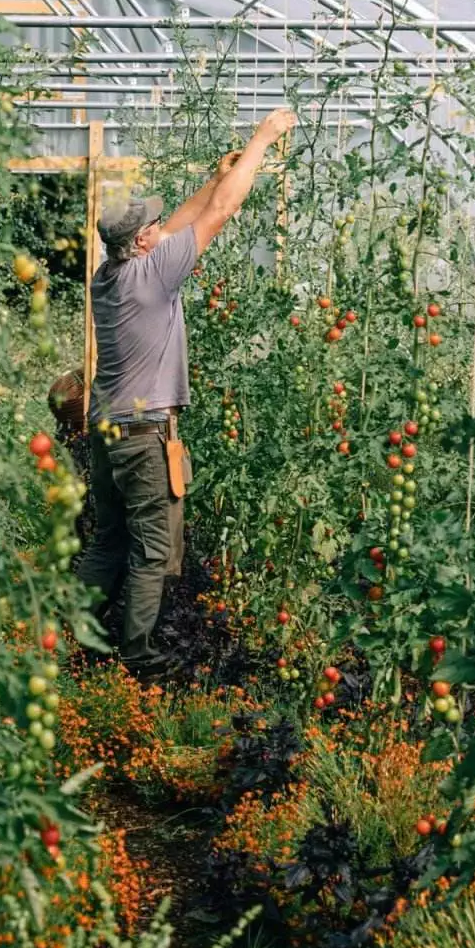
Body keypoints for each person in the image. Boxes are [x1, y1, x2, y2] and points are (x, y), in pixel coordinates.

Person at [77, 106, 298, 677]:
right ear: (144, 242)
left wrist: (217, 174)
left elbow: (183, 219)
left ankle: (70, 633)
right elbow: (223, 210)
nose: (160, 226)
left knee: (109, 540)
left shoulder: (113, 275)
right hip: (145, 435)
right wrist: (262, 140)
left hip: (106, 429)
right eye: (152, 225)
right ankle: (140, 657)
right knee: (154, 548)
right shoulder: (155, 274)